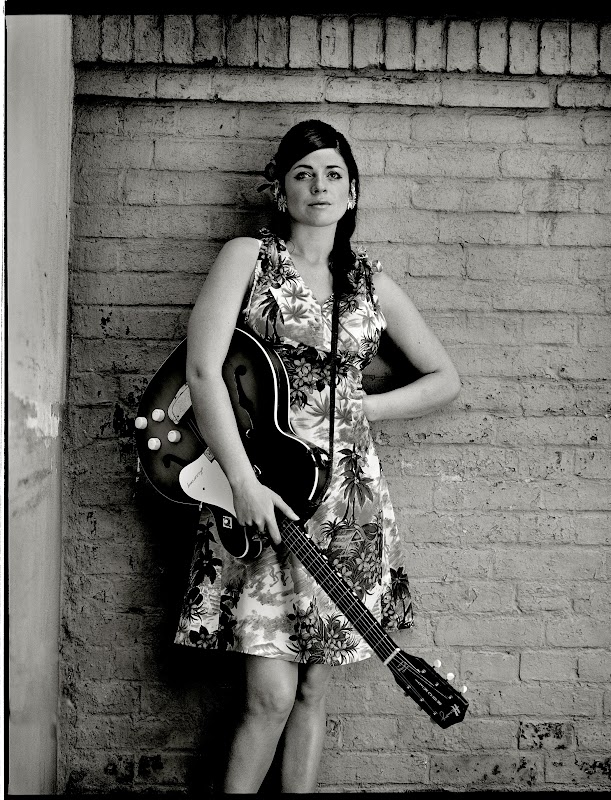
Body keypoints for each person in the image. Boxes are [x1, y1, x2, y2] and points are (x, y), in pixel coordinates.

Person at [175, 119, 461, 793]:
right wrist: (242, 483)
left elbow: (444, 379)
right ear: (280, 191)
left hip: (348, 505)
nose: (319, 186)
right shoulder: (249, 258)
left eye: (334, 174)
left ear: (352, 192)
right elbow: (202, 371)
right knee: (269, 697)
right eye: (303, 174)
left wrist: (363, 409)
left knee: (311, 691)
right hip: (260, 488)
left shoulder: (368, 283)